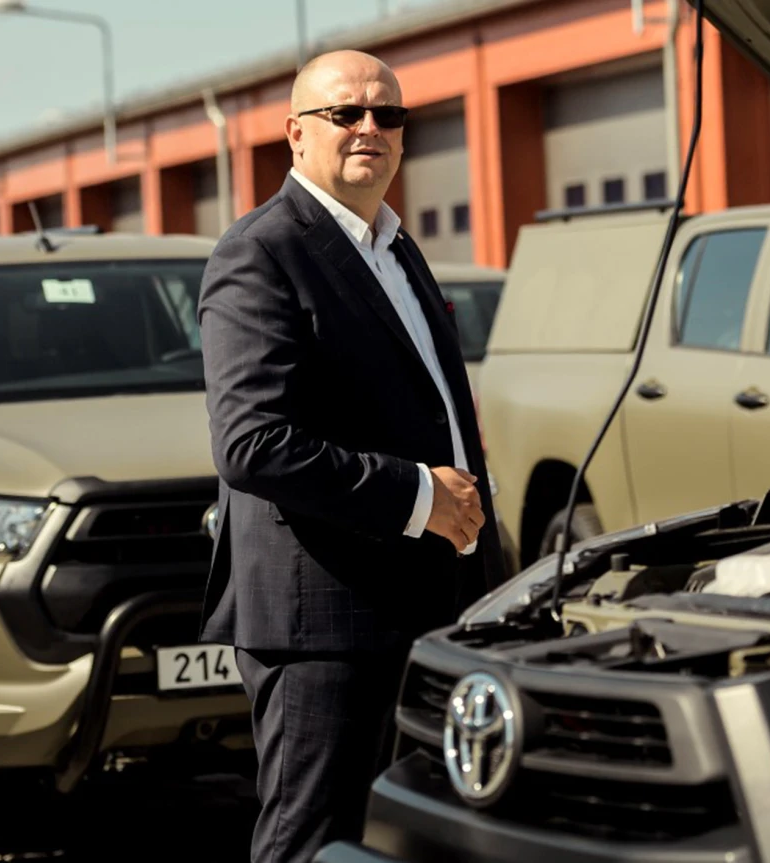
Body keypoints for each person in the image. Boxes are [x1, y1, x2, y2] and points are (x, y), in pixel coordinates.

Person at [196, 49, 507, 863]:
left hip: (431, 602)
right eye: (347, 114)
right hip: (321, 618)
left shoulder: (398, 247)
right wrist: (415, 496)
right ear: (295, 134)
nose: (371, 127)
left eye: (388, 114)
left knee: (409, 836)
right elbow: (252, 444)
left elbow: (437, 415)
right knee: (313, 840)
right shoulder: (260, 252)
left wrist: (485, 560)